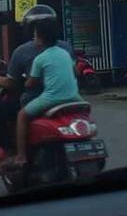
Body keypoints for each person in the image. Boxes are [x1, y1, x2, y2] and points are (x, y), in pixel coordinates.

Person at [0, 5, 73, 170]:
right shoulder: (66, 48)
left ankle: (17, 155)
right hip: (71, 96)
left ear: (34, 32)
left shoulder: (23, 52)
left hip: (42, 99)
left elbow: (15, 83)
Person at [11, 15, 82, 166]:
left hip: (52, 99)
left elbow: (30, 83)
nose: (33, 37)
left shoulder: (40, 59)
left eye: (35, 34)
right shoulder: (65, 53)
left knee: (21, 115)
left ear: (41, 38)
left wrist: (28, 80)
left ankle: (21, 156)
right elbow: (76, 72)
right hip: (75, 97)